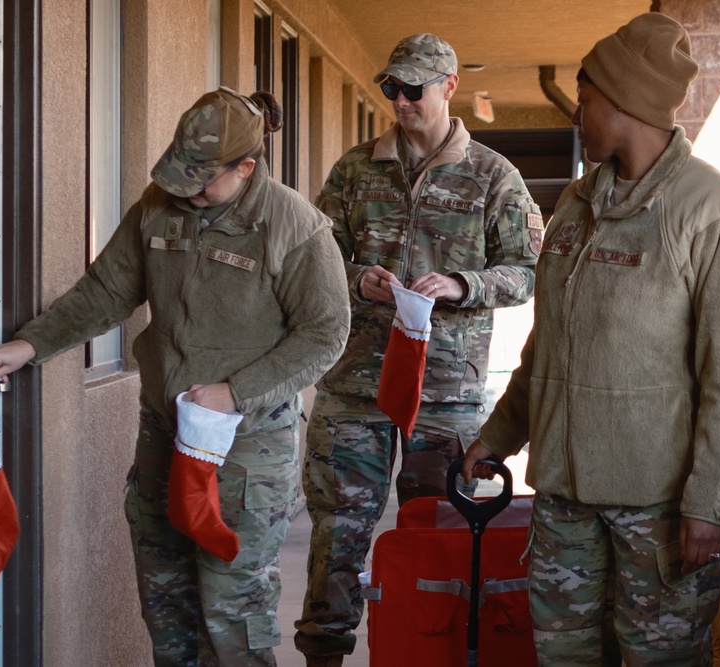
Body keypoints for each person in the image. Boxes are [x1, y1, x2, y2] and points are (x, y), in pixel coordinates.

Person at [0, 88, 350, 667]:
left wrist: (235, 392)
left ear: (246, 168)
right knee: (167, 601)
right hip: (163, 434)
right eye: (181, 176)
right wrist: (32, 344)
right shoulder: (160, 205)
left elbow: (324, 335)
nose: (187, 192)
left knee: (232, 612)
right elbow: (108, 289)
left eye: (202, 181)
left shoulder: (293, 226)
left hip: (245, 451)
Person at [462, 12, 720, 666]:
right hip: (564, 509)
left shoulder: (713, 212)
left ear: (626, 101)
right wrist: (497, 436)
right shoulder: (575, 205)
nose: (578, 110)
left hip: (656, 513)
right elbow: (547, 350)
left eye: (585, 94)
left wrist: (709, 505)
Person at [295, 33, 542, 666]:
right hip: (356, 386)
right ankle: (324, 654)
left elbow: (531, 270)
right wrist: (358, 279)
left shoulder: (493, 176)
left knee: (440, 533)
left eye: (414, 89)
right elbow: (317, 260)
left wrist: (465, 284)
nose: (401, 101)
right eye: (392, 89)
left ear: (449, 87)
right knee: (338, 537)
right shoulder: (355, 169)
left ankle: (428, 653)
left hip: (445, 394)